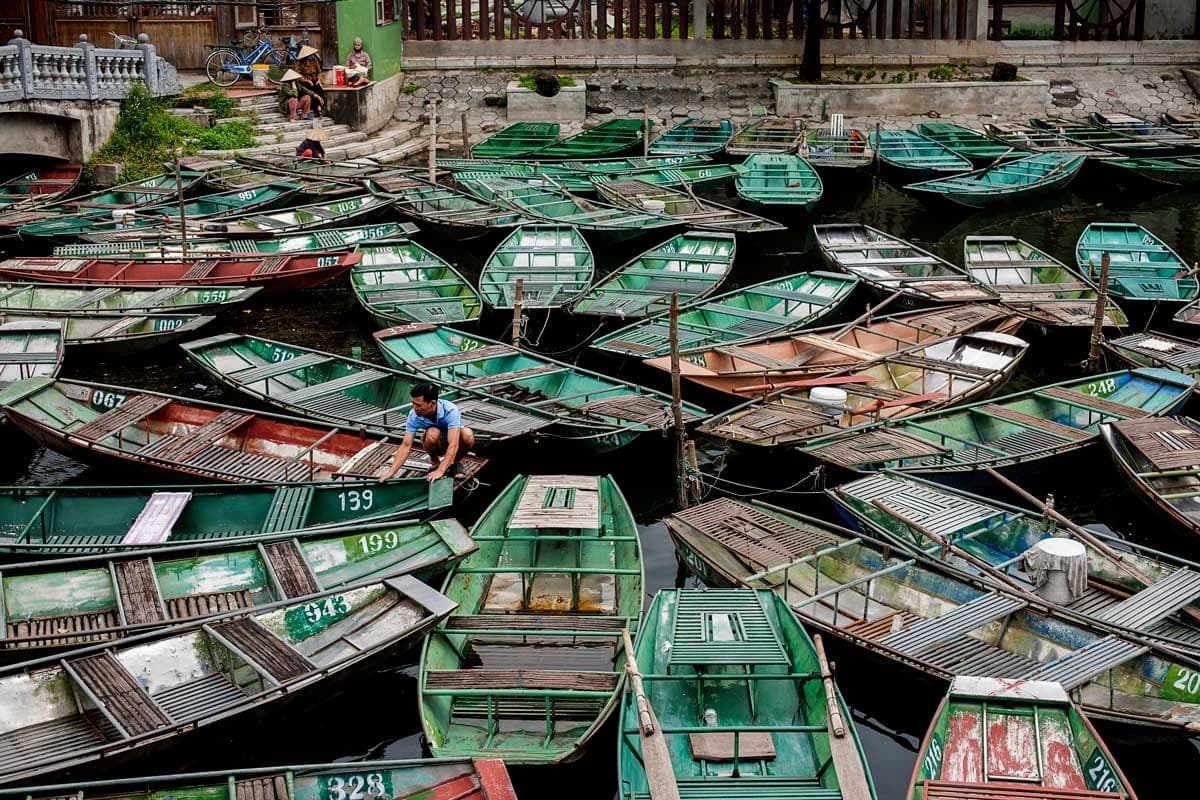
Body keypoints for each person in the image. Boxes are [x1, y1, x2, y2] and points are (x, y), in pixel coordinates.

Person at [382, 383, 475, 483]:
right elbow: (406, 445)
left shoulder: (450, 410)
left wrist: (440, 472)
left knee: (467, 434)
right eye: (413, 403)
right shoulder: (413, 415)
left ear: (432, 403)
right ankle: (435, 462)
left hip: (452, 442)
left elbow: (453, 444)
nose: (414, 407)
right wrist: (391, 473)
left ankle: (455, 463)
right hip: (434, 442)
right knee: (433, 432)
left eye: (418, 405)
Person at [295, 44, 326, 117]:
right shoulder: (300, 63)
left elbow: (319, 72)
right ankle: (317, 108)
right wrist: (306, 80)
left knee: (319, 89)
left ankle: (319, 107)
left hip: (314, 80)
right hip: (305, 82)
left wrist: (319, 79)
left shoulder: (314, 61)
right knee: (310, 90)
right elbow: (298, 75)